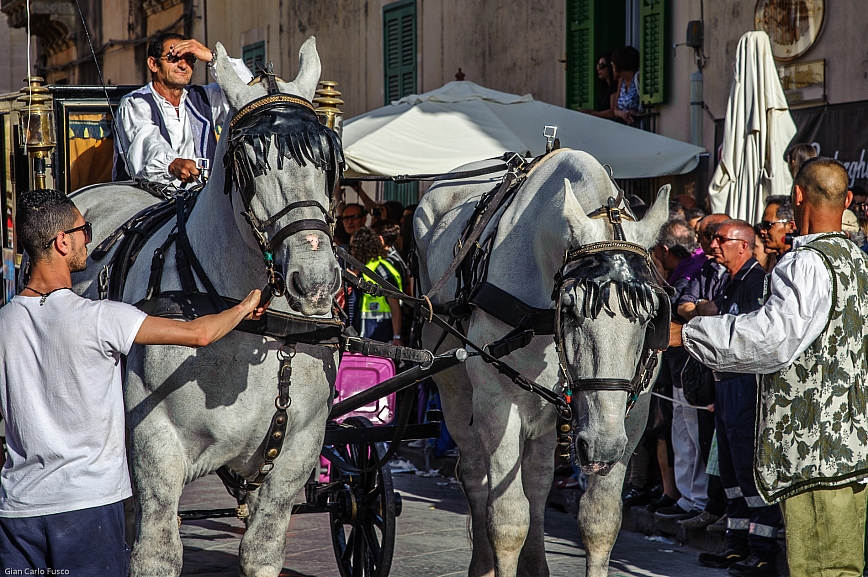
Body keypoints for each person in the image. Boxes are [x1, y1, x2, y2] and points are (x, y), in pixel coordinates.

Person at [0, 189, 265, 573]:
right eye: (84, 230)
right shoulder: (101, 318)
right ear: (62, 242)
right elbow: (198, 334)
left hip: (17, 510)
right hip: (86, 507)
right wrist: (243, 307)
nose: (88, 240)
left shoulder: (5, 322)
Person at [672, 157, 868, 577]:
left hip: (814, 449)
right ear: (847, 200)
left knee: (819, 567)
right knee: (844, 564)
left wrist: (688, 334)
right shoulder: (858, 261)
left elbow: (772, 339)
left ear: (798, 196)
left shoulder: (805, 263)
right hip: (852, 447)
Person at [688, 220, 781, 577]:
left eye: (721, 239)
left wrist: (711, 320)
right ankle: (736, 543)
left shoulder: (756, 282)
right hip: (725, 387)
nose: (713, 245)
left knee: (747, 466)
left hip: (745, 386)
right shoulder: (731, 280)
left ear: (743, 245)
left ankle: (762, 549)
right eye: (713, 239)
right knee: (729, 469)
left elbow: (749, 337)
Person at [113, 32, 253, 184]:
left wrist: (211, 57)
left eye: (190, 58)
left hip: (202, 200)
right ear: (153, 64)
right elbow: (146, 142)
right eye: (173, 57)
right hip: (149, 200)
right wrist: (172, 164)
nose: (183, 65)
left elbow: (248, 95)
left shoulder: (204, 97)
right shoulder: (135, 103)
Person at [347, 227, 403, 346]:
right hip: (364, 337)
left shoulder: (382, 272)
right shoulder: (363, 269)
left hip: (380, 337)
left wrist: (396, 336)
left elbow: (395, 306)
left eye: (352, 247)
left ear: (361, 248)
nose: (350, 251)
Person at [610, 46, 643, 126]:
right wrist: (623, 114)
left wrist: (636, 112)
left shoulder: (639, 78)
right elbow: (615, 109)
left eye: (613, 64)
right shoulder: (622, 81)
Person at [581, 53, 618, 120]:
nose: (598, 69)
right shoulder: (606, 88)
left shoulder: (615, 85)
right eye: (597, 65)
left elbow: (613, 112)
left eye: (601, 66)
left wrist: (592, 114)